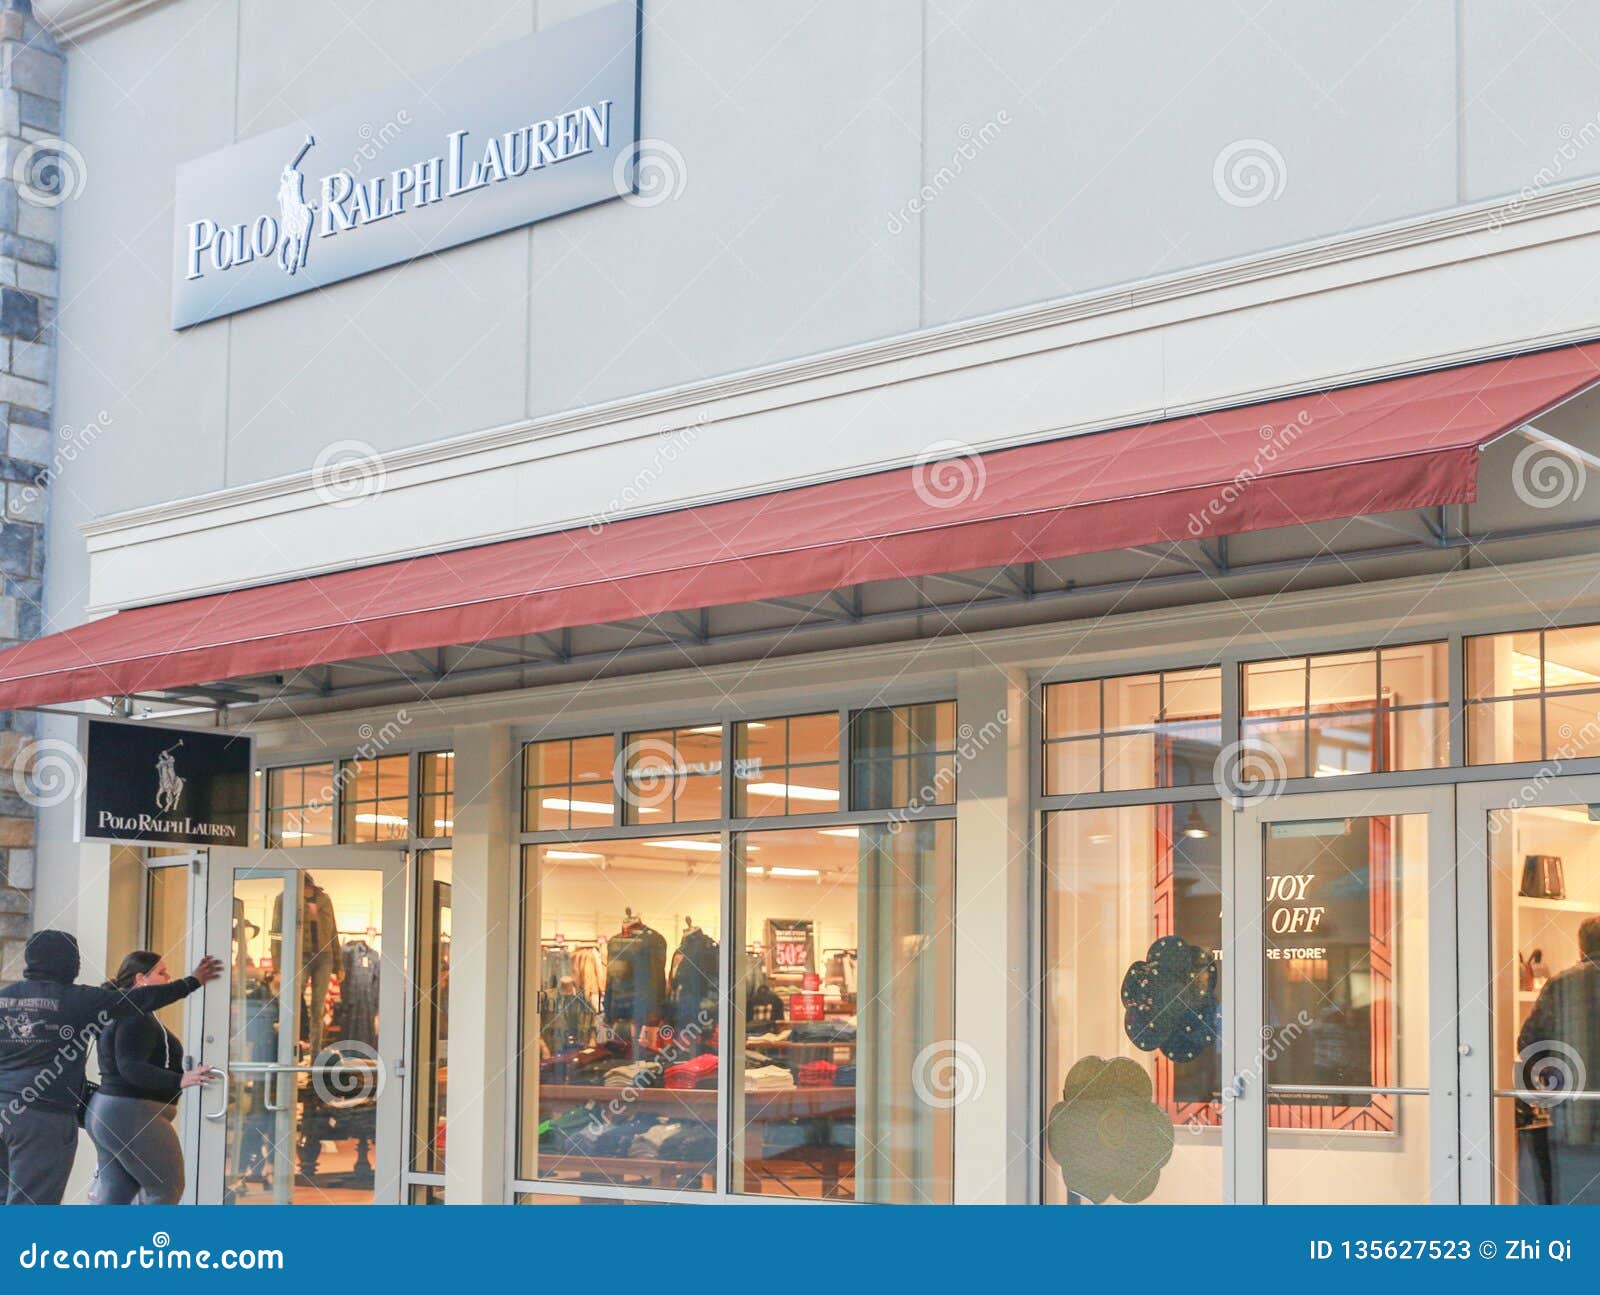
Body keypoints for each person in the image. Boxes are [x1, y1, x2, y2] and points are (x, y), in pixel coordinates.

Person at [0, 930, 220, 1205]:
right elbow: (139, 1001)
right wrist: (192, 981)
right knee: (33, 1203)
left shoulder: (5, 997)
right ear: (67, 962)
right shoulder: (75, 999)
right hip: (44, 1118)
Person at [85, 951, 216, 1205]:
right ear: (140, 979)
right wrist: (179, 1080)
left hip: (107, 1112)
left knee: (116, 1193)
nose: (169, 977)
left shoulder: (122, 1009)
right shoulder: (135, 1013)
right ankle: (151, 1245)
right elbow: (130, 1067)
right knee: (165, 1190)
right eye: (162, 973)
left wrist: (179, 1072)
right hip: (132, 1113)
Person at [1518, 915, 1600, 1204]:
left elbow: (1529, 1043)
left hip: (1575, 1122)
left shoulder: (1563, 984)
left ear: (1580, 949)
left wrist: (1554, 1085)